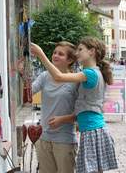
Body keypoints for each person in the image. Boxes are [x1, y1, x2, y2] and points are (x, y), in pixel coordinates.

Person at [31, 37, 118, 173]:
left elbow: (59, 77)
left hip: (91, 130)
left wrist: (41, 54)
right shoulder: (91, 73)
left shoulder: (89, 73)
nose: (77, 53)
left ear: (92, 52)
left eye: (80, 49)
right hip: (89, 130)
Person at [31, 41, 78, 173]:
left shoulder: (75, 80)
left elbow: (82, 113)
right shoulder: (45, 76)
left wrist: (63, 119)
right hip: (44, 139)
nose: (55, 55)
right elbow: (29, 93)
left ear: (69, 60)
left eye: (61, 54)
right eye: (54, 53)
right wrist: (21, 74)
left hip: (64, 141)